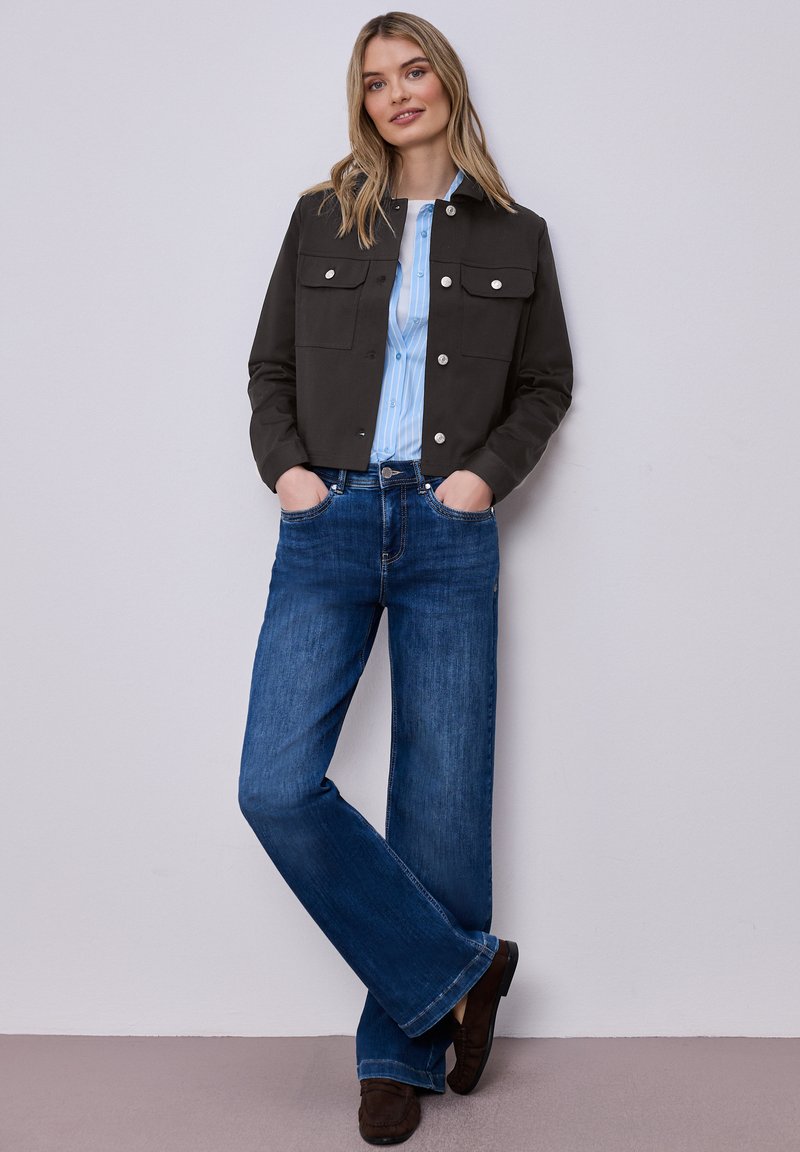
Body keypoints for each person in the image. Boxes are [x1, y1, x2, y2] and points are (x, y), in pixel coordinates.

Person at [238, 11, 573, 1145]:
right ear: (362, 103)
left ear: (446, 81)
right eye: (376, 80)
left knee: (440, 794)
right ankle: (462, 976)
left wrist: (479, 482)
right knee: (274, 785)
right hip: (326, 518)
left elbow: (545, 383)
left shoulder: (518, 235)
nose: (397, 93)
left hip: (445, 529)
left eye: (413, 69)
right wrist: (290, 475)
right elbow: (269, 365)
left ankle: (397, 1054)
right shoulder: (319, 218)